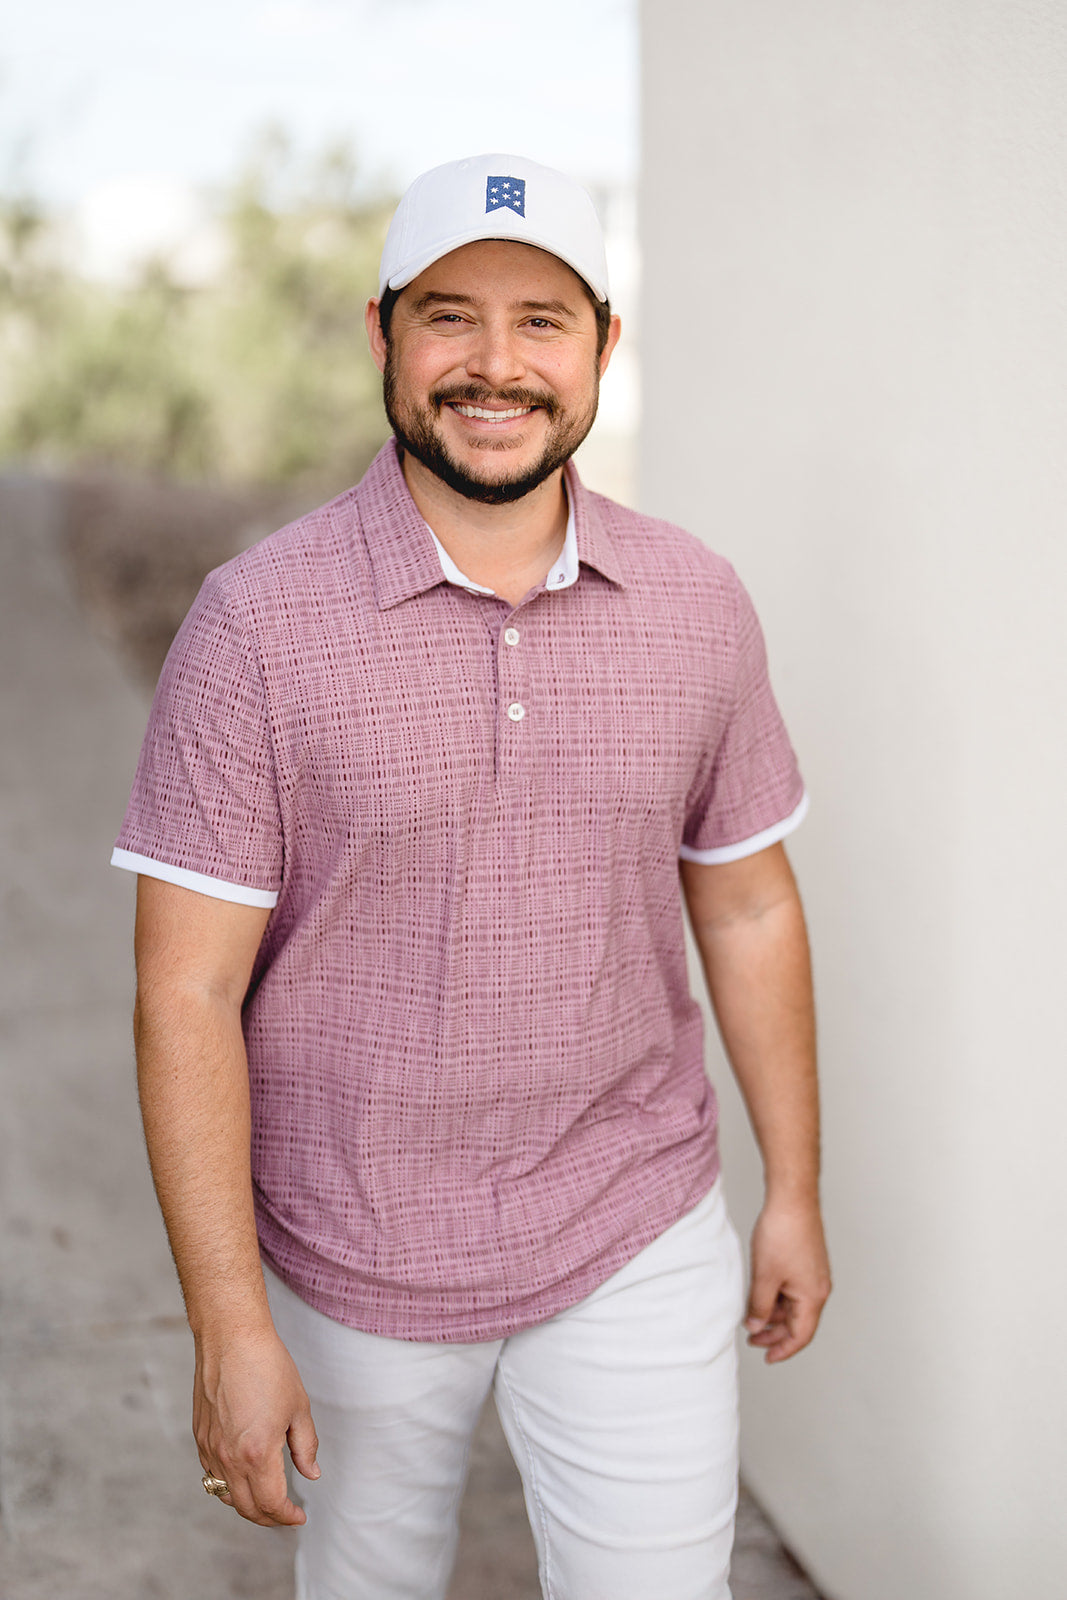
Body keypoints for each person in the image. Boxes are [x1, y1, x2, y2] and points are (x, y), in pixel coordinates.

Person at [113, 152, 831, 1600]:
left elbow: (749, 901)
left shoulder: (696, 601)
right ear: (383, 333)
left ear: (603, 347)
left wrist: (794, 1189)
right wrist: (229, 1324)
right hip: (348, 1245)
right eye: (450, 316)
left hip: (633, 1218)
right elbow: (185, 991)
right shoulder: (255, 625)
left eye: (540, 321)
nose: (495, 365)